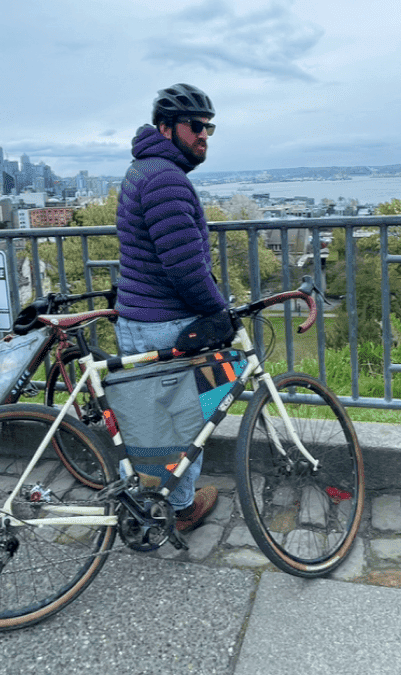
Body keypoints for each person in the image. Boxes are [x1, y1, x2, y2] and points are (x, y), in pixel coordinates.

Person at [114, 84, 228, 531]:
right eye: (195, 126)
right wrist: (220, 311)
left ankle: (144, 507)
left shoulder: (141, 170)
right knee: (184, 427)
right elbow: (184, 266)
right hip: (166, 322)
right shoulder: (166, 179)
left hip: (138, 318)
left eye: (209, 127)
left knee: (149, 431)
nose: (204, 135)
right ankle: (181, 511)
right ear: (166, 128)